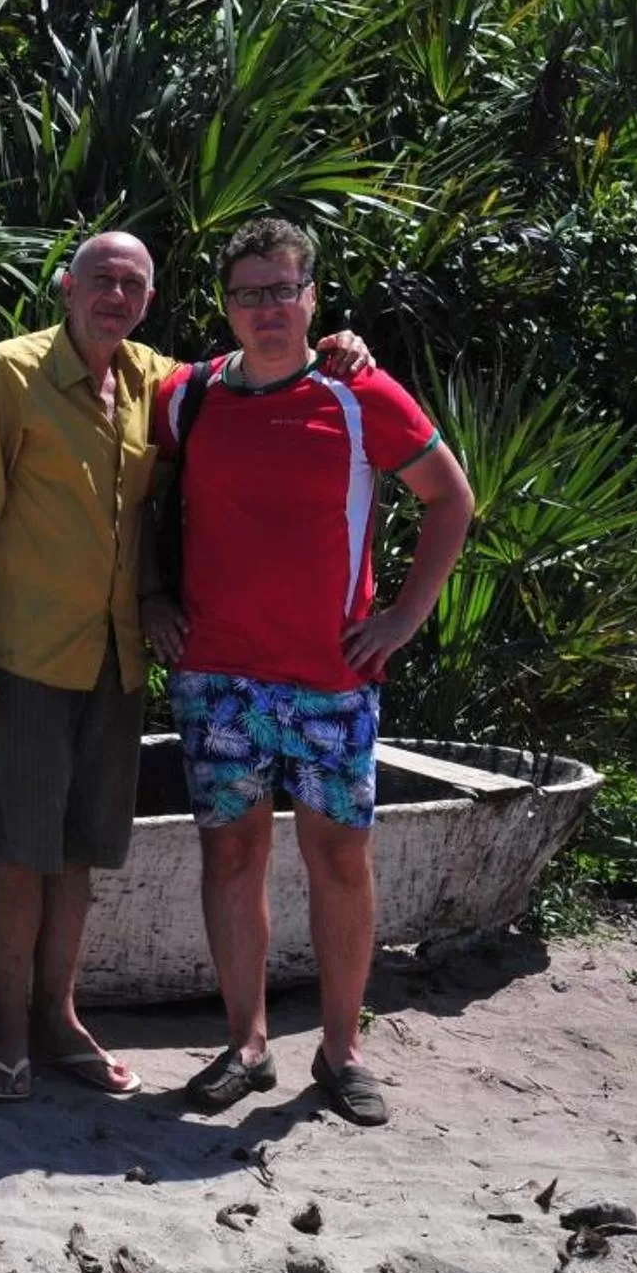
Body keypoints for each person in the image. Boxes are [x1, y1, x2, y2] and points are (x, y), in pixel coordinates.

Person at [0, 230, 370, 1104]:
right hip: (25, 651)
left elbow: (258, 358)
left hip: (118, 660)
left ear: (150, 300)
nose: (115, 296)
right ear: (66, 287)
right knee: (22, 849)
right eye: (101, 279)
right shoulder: (8, 373)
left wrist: (342, 348)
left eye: (132, 285)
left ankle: (60, 1022)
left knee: (80, 853)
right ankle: (10, 1033)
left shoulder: (158, 383)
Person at [140, 217, 472, 1125]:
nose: (268, 309)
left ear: (313, 297)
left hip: (330, 677)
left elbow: (451, 499)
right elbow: (136, 495)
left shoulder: (362, 393)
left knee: (339, 860)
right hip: (216, 675)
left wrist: (404, 616)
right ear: (226, 305)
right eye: (249, 293)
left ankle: (340, 1050)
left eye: (284, 290)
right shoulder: (190, 397)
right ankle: (246, 1044)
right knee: (233, 853)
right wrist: (150, 596)